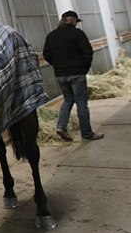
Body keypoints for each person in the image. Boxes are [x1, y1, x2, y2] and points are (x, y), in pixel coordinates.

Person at [43, 10, 104, 141]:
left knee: (68, 100)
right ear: (72, 20)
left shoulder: (51, 35)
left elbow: (46, 54)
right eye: (76, 21)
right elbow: (88, 52)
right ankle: (87, 133)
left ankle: (61, 126)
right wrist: (84, 68)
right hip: (77, 73)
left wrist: (58, 65)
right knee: (81, 102)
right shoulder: (78, 34)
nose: (76, 24)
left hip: (61, 74)